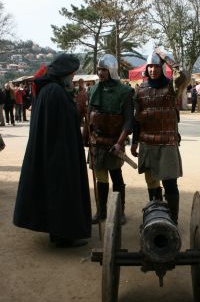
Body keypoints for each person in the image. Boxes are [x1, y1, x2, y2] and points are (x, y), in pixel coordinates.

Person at [13, 54, 92, 248]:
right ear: (64, 74)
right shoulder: (55, 92)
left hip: (52, 153)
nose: (72, 79)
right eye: (71, 75)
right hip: (58, 155)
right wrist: (79, 108)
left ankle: (58, 231)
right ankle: (65, 234)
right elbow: (64, 124)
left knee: (54, 192)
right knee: (61, 192)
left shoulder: (48, 90)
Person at [131, 49, 190, 225]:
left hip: (167, 143)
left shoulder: (172, 87)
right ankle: (156, 218)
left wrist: (167, 58)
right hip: (147, 142)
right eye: (150, 67)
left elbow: (184, 76)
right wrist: (134, 142)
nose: (153, 70)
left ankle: (173, 219)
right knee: (152, 183)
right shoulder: (140, 89)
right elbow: (137, 118)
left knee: (170, 183)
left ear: (162, 68)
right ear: (146, 68)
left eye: (156, 67)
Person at [86, 54, 134, 225]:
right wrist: (88, 139)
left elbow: (128, 120)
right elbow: (89, 118)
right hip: (97, 142)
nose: (101, 73)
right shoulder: (92, 90)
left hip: (115, 141)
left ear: (112, 70)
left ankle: (119, 212)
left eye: (104, 70)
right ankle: (101, 211)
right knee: (100, 177)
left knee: (116, 176)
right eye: (99, 69)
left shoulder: (125, 92)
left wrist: (119, 143)